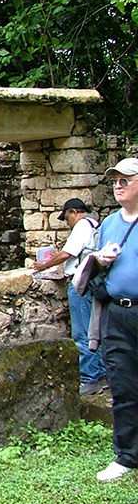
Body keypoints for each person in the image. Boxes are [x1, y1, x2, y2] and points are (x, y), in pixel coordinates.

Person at [33, 197, 107, 395]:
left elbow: (68, 253)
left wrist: (44, 265)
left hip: (81, 284)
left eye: (67, 218)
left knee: (82, 333)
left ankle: (89, 379)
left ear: (74, 212)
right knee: (94, 330)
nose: (67, 223)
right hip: (94, 282)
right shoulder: (96, 224)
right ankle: (100, 376)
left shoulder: (82, 225)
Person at [93, 157, 138, 482]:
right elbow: (91, 264)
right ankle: (127, 455)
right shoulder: (108, 224)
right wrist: (98, 260)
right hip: (117, 314)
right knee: (122, 385)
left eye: (125, 180)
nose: (118, 185)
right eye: (115, 180)